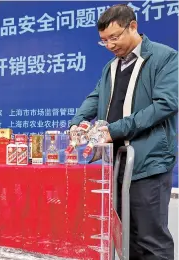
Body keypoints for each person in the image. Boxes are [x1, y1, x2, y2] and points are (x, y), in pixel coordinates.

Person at [70, 4, 177, 259]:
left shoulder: (165, 57)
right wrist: (78, 122)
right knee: (124, 237)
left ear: (133, 26)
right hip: (117, 164)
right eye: (104, 41)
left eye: (114, 37)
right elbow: (95, 98)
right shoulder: (111, 67)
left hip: (148, 162)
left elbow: (165, 105)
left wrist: (114, 130)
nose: (109, 45)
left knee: (150, 239)